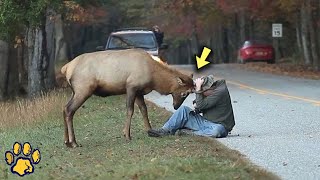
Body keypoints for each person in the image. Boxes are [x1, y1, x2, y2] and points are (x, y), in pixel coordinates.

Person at [147, 75, 235, 138]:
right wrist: (196, 108)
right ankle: (165, 130)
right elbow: (201, 106)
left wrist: (198, 89)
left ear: (209, 88)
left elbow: (201, 104)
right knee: (183, 110)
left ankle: (189, 133)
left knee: (217, 131)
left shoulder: (220, 92)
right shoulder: (211, 92)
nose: (200, 93)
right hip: (205, 123)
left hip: (219, 126)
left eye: (201, 91)